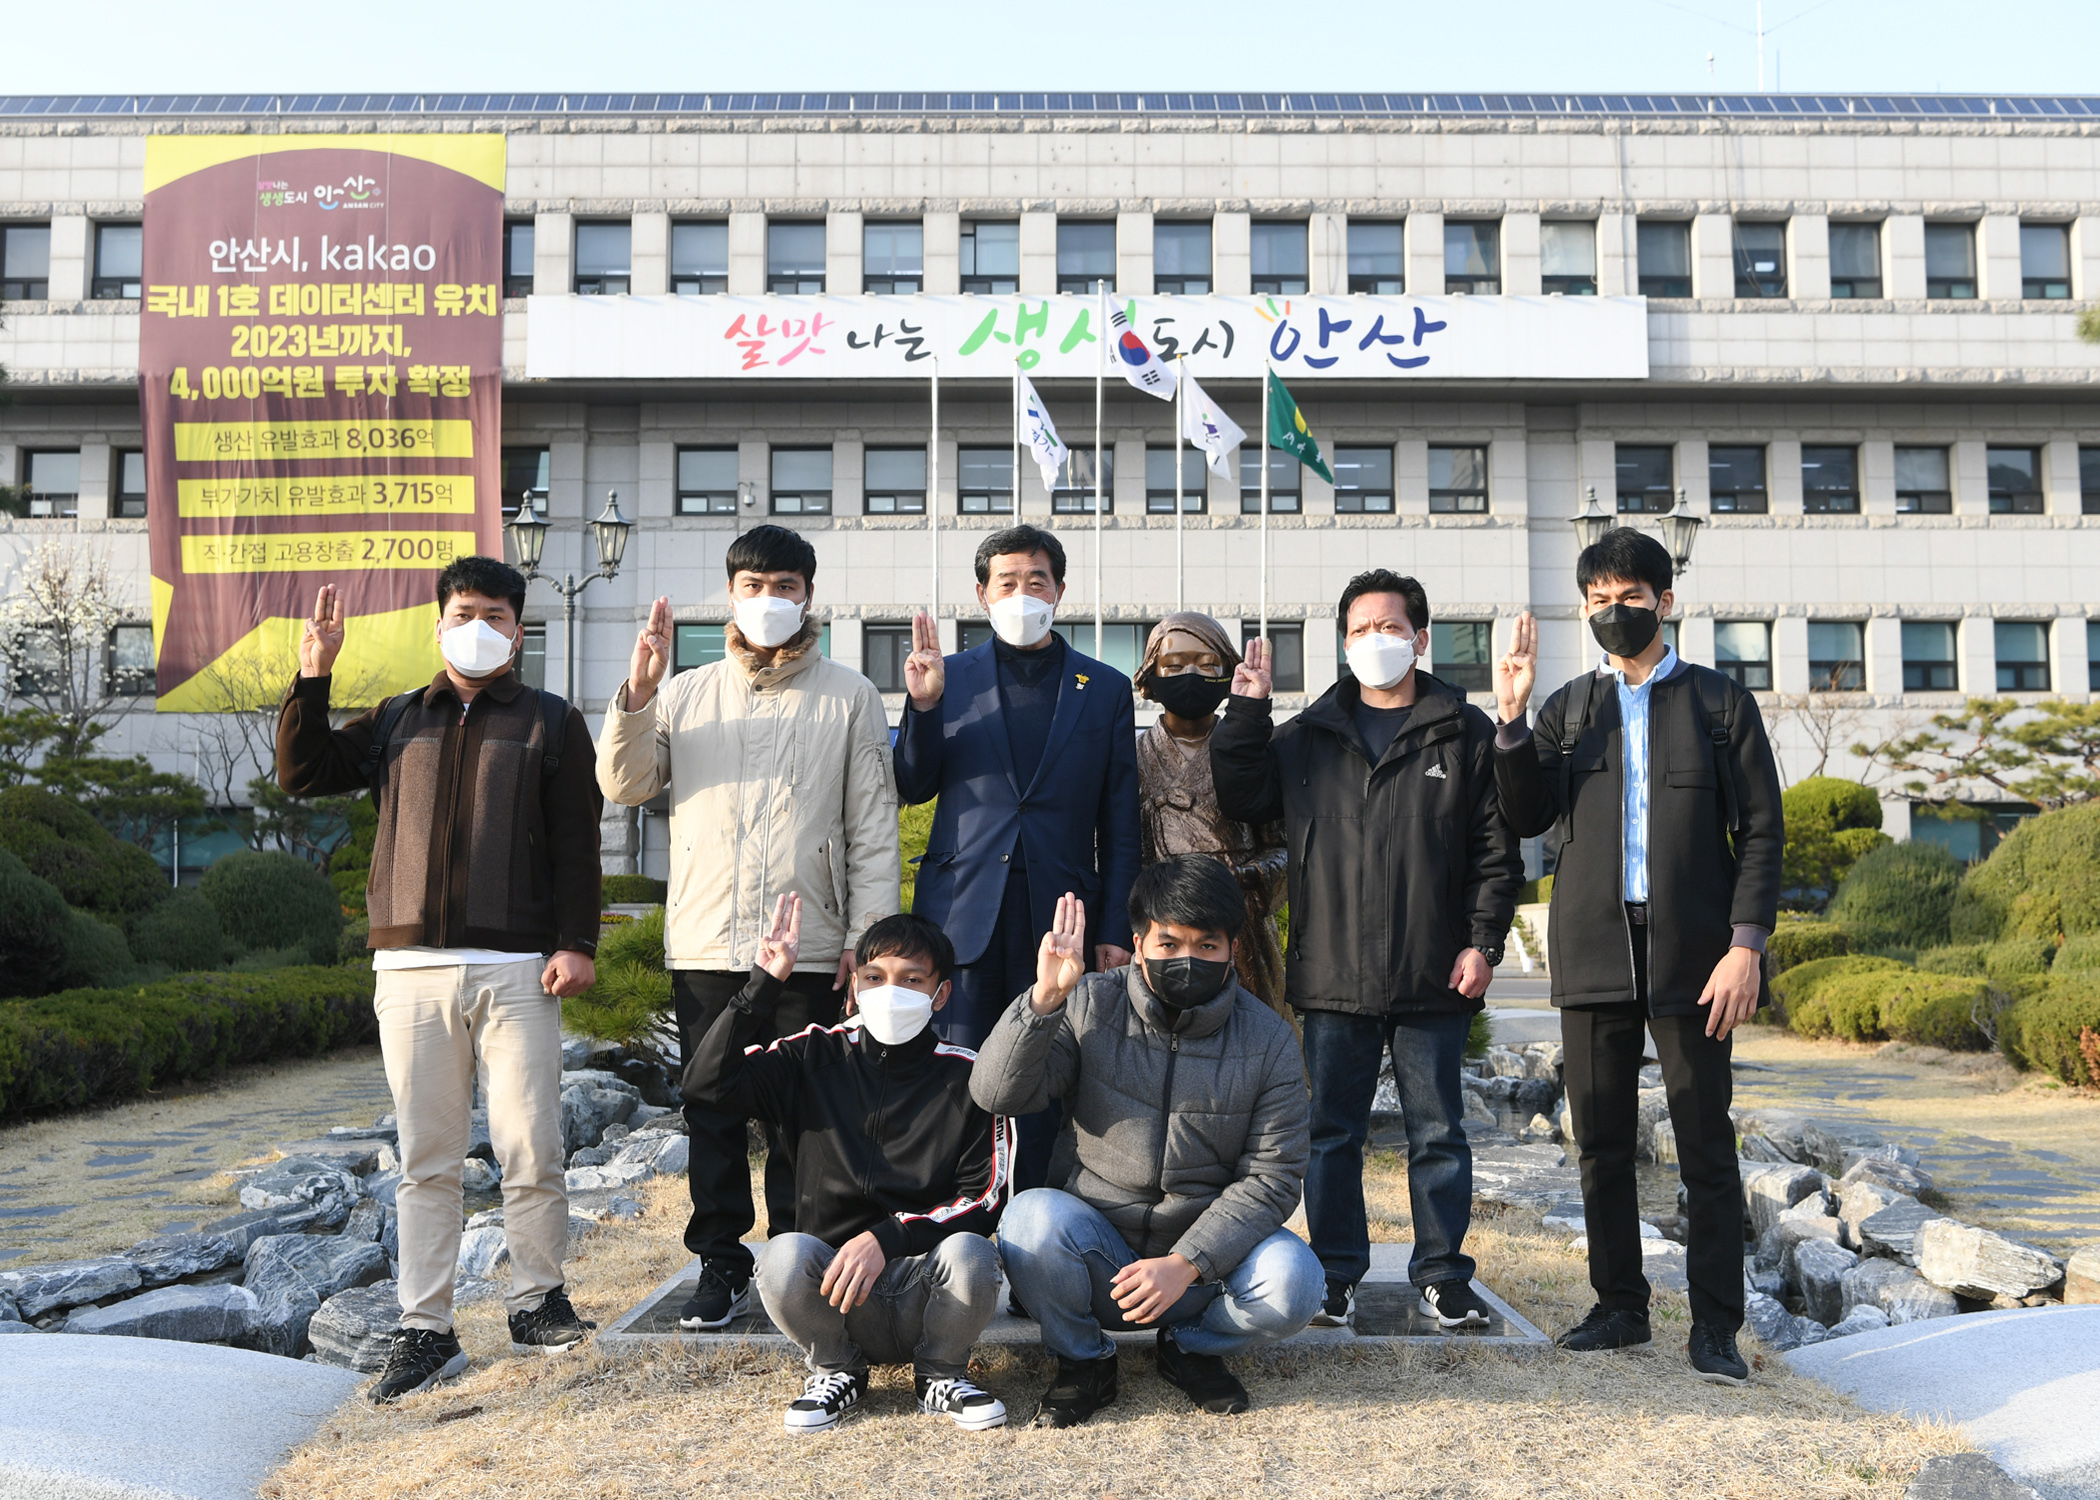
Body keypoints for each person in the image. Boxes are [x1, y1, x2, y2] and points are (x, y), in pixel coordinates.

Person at [277, 557, 602, 1404]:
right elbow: (302, 773)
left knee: (532, 1145)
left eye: (495, 615)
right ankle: (426, 1328)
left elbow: (577, 843)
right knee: (427, 1158)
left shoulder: (551, 722)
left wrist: (576, 942)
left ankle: (537, 1302)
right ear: (439, 625)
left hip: (518, 968)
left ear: (518, 632)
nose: (479, 628)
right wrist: (314, 676)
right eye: (464, 613)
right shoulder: (395, 718)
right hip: (410, 968)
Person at [1491, 527, 1783, 1387]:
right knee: (1602, 1144)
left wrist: (1745, 945)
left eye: (1629, 597)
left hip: (1696, 958)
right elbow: (1526, 816)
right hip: (1592, 954)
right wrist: (1511, 720)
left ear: (1665, 601)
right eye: (1599, 601)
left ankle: (1716, 1326)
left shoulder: (1719, 704)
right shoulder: (1569, 709)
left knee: (1705, 1146)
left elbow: (1762, 832)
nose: (1613, 612)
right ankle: (1619, 1306)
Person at [598, 524, 900, 1332]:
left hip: (813, 946)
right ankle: (721, 1263)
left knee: (806, 1114)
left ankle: (796, 1257)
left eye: (784, 587)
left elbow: (873, 827)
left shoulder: (849, 695)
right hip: (708, 938)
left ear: (808, 595)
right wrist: (637, 694)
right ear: (731, 595)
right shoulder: (686, 693)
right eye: (753, 587)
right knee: (712, 1110)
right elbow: (624, 784)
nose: (769, 601)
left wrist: (867, 942)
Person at [1211, 570, 1522, 1334]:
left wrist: (1484, 943)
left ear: (1420, 638)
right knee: (1332, 1136)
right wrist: (1247, 712)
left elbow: (1495, 852)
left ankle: (1443, 1276)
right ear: (1343, 643)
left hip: (1434, 969)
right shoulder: (1309, 736)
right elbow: (1243, 796)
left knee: (1438, 1133)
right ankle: (1336, 1275)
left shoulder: (1463, 731)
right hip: (1334, 971)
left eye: (1389, 628)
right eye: (1358, 630)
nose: (1373, 641)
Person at [972, 858, 1323, 1428]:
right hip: (1098, 1259)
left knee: (1297, 1281)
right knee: (1029, 1218)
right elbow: (996, 1094)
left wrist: (1186, 1263)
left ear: (1233, 949)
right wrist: (1043, 1000)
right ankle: (1085, 1360)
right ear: (1138, 945)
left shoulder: (1270, 1040)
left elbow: (1273, 1177)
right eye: (1169, 943)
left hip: (1201, 1269)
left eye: (1207, 946)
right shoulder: (1090, 1002)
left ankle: (1190, 1346)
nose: (1188, 959)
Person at [684, 899, 1012, 1435]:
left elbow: (986, 1198)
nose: (891, 991)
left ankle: (941, 1373)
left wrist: (888, 1237)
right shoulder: (811, 1055)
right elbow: (705, 1085)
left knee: (973, 1254)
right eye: (875, 977)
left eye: (911, 980)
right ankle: (836, 1369)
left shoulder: (969, 1077)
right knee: (781, 1256)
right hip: (832, 1291)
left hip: (926, 1290)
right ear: (855, 985)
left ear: (940, 994)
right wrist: (763, 985)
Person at [893, 524, 1141, 1191]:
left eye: (1037, 580)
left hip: (1061, 917)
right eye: (1007, 582)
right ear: (983, 594)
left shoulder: (1105, 688)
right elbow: (912, 785)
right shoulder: (948, 677)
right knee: (958, 1068)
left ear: (1059, 590)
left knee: (1048, 1073)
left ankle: (1035, 1214)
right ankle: (957, 1215)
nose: (1023, 593)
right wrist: (922, 707)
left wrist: (1115, 929)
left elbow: (1121, 823)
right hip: (962, 912)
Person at [1132, 613, 1288, 1013]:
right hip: (1160, 927)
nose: (1190, 675)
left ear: (1228, 672)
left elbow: (1286, 846)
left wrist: (1249, 876)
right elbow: (1109, 850)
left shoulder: (1253, 751)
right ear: (1151, 675)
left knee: (1252, 1030)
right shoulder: (1129, 757)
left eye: (1207, 665)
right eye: (1173, 665)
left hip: (1239, 927)